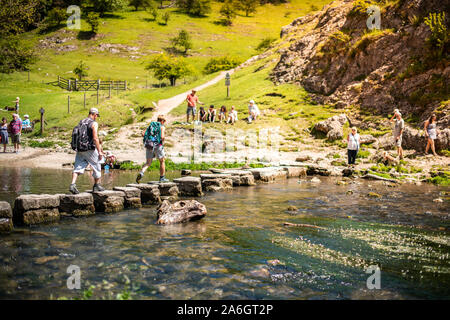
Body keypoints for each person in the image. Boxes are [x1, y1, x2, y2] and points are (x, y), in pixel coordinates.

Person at [69, 108, 105, 194]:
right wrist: (99, 151)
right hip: (89, 149)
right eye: (97, 116)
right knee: (97, 164)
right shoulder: (94, 123)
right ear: (95, 114)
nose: (96, 117)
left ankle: (72, 184)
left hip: (79, 148)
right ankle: (96, 185)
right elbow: (95, 138)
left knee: (78, 167)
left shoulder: (81, 122)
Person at [136, 115, 169, 183]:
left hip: (149, 145)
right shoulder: (162, 127)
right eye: (164, 121)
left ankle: (141, 172)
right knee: (162, 161)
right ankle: (162, 178)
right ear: (162, 121)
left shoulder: (151, 126)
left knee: (148, 163)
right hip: (158, 146)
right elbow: (162, 137)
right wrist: (162, 140)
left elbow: (143, 134)